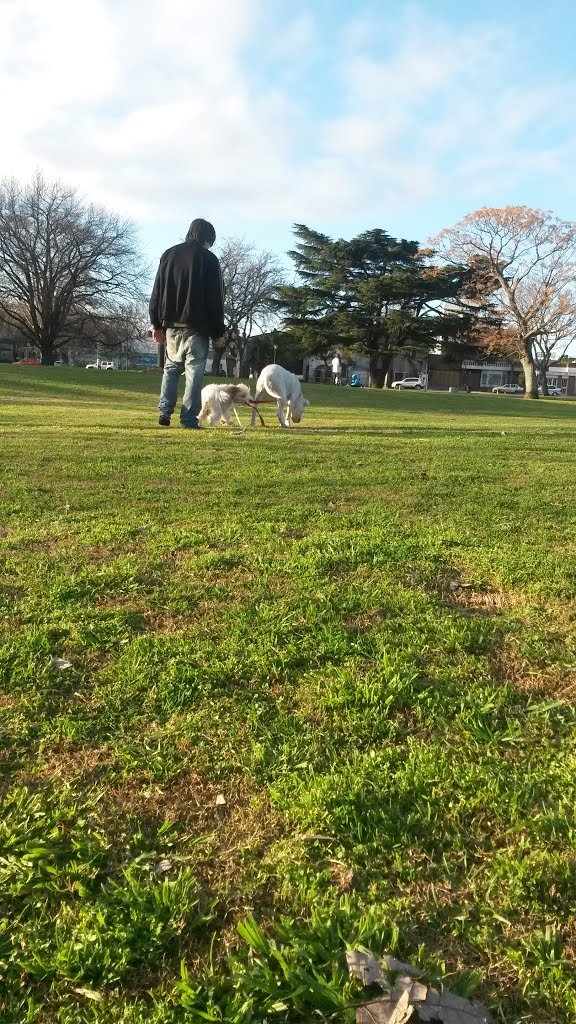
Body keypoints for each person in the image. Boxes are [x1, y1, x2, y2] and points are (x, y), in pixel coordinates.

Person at [149, 218, 225, 428]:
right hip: (197, 327)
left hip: (171, 325)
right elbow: (216, 299)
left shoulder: (169, 254)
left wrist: (156, 323)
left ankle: (164, 412)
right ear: (208, 239)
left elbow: (157, 290)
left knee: (171, 370)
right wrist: (219, 331)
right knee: (194, 375)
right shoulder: (210, 260)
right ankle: (188, 420)